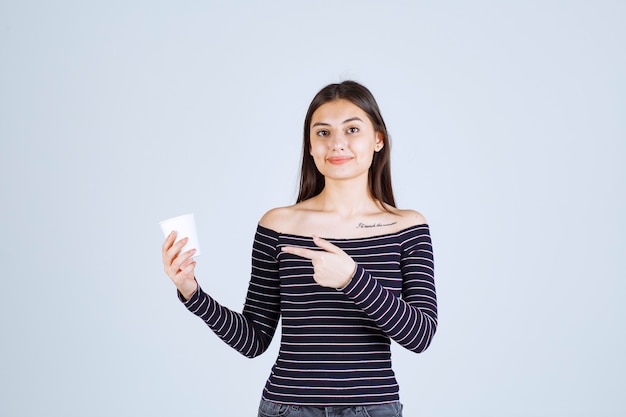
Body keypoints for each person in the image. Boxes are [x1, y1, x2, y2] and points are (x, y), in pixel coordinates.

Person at [162, 80, 437, 417]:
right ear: (310, 145)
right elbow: (253, 339)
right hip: (288, 407)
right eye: (323, 133)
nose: (337, 143)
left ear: (377, 139)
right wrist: (191, 291)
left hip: (373, 407)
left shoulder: (406, 227)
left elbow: (420, 335)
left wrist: (351, 279)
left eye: (352, 129)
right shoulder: (279, 225)